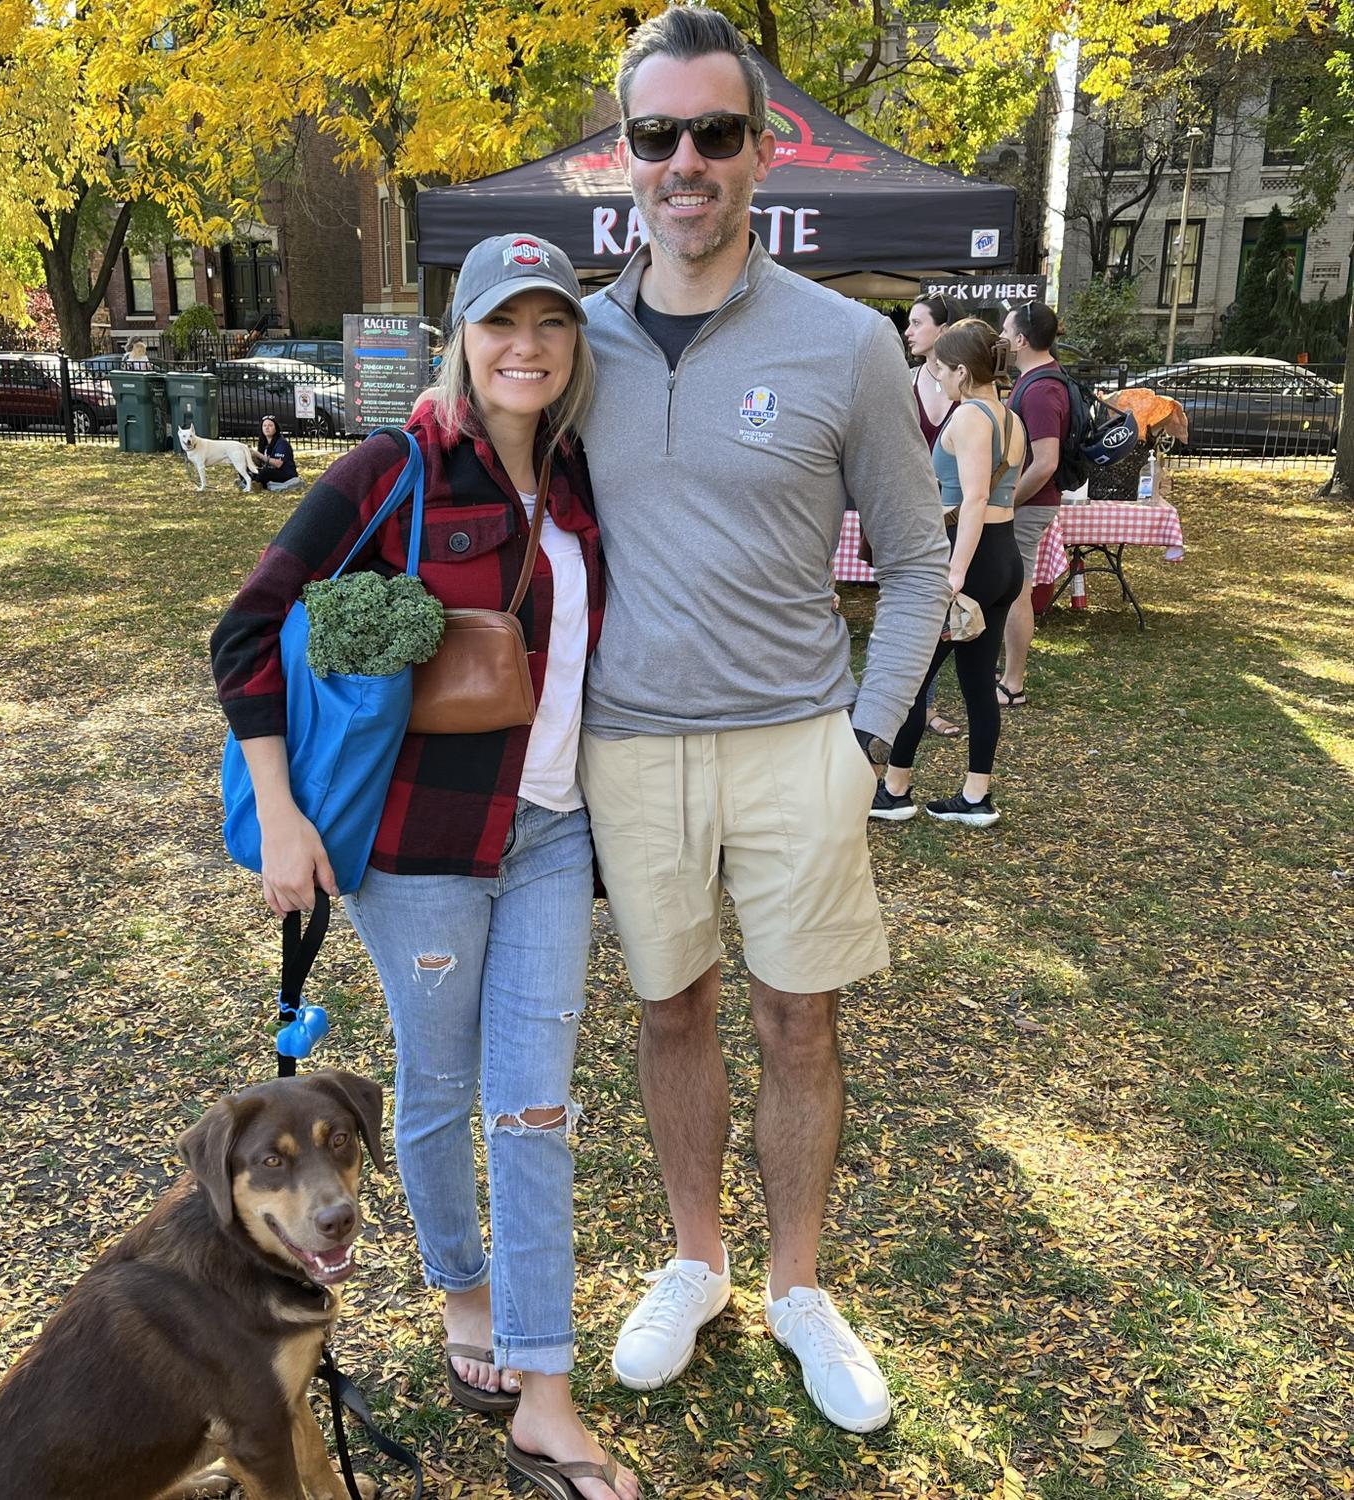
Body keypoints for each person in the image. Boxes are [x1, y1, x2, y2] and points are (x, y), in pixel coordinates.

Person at [211, 235, 638, 1500]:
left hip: (555, 836)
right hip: (420, 856)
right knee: (442, 1087)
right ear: (462, 334)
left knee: (537, 1107)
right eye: (503, 324)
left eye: (551, 325)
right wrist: (285, 817)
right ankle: (464, 1300)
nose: (528, 347)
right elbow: (246, 627)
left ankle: (545, 1392)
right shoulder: (394, 469)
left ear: (574, 346)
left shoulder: (579, 486)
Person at [576, 6, 949, 1436]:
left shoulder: (848, 342)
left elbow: (917, 558)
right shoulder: (571, 342)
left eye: (714, 133)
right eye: (657, 134)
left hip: (802, 735)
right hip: (631, 742)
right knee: (674, 1011)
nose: (686, 161)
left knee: (802, 1019)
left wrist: (868, 741)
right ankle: (698, 1261)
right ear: (627, 155)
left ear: (760, 148)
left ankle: (797, 1287)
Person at [871, 319, 1025, 827]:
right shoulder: (1010, 418)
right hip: (1003, 557)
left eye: (941, 371)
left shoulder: (969, 419)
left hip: (971, 559)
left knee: (915, 678)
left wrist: (955, 572)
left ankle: (895, 790)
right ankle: (975, 796)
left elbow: (975, 496)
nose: (937, 379)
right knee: (978, 681)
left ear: (962, 370)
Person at [996, 299, 1068, 708]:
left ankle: (1014, 683)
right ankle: (1009, 674)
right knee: (1012, 588)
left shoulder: (1040, 390)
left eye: (1007, 332)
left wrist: (1008, 501)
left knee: (1018, 591)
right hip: (1029, 501)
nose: (1003, 339)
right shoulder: (1037, 380)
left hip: (1030, 503)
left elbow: (1045, 463)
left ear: (1021, 339)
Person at [904, 293, 962, 739]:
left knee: (944, 612)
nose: (908, 331)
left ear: (942, 330)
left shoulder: (969, 384)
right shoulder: (905, 380)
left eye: (917, 322)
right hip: (913, 513)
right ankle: (909, 705)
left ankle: (924, 707)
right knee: (912, 607)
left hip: (959, 517)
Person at [252, 414, 303, 492]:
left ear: (276, 428)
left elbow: (278, 464)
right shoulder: (263, 443)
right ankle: (256, 483)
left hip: (285, 473)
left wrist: (260, 455)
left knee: (265, 472)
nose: (267, 428)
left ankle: (257, 485)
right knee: (250, 470)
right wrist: (252, 456)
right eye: (264, 425)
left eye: (270, 425)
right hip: (270, 470)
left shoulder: (282, 443)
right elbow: (260, 464)